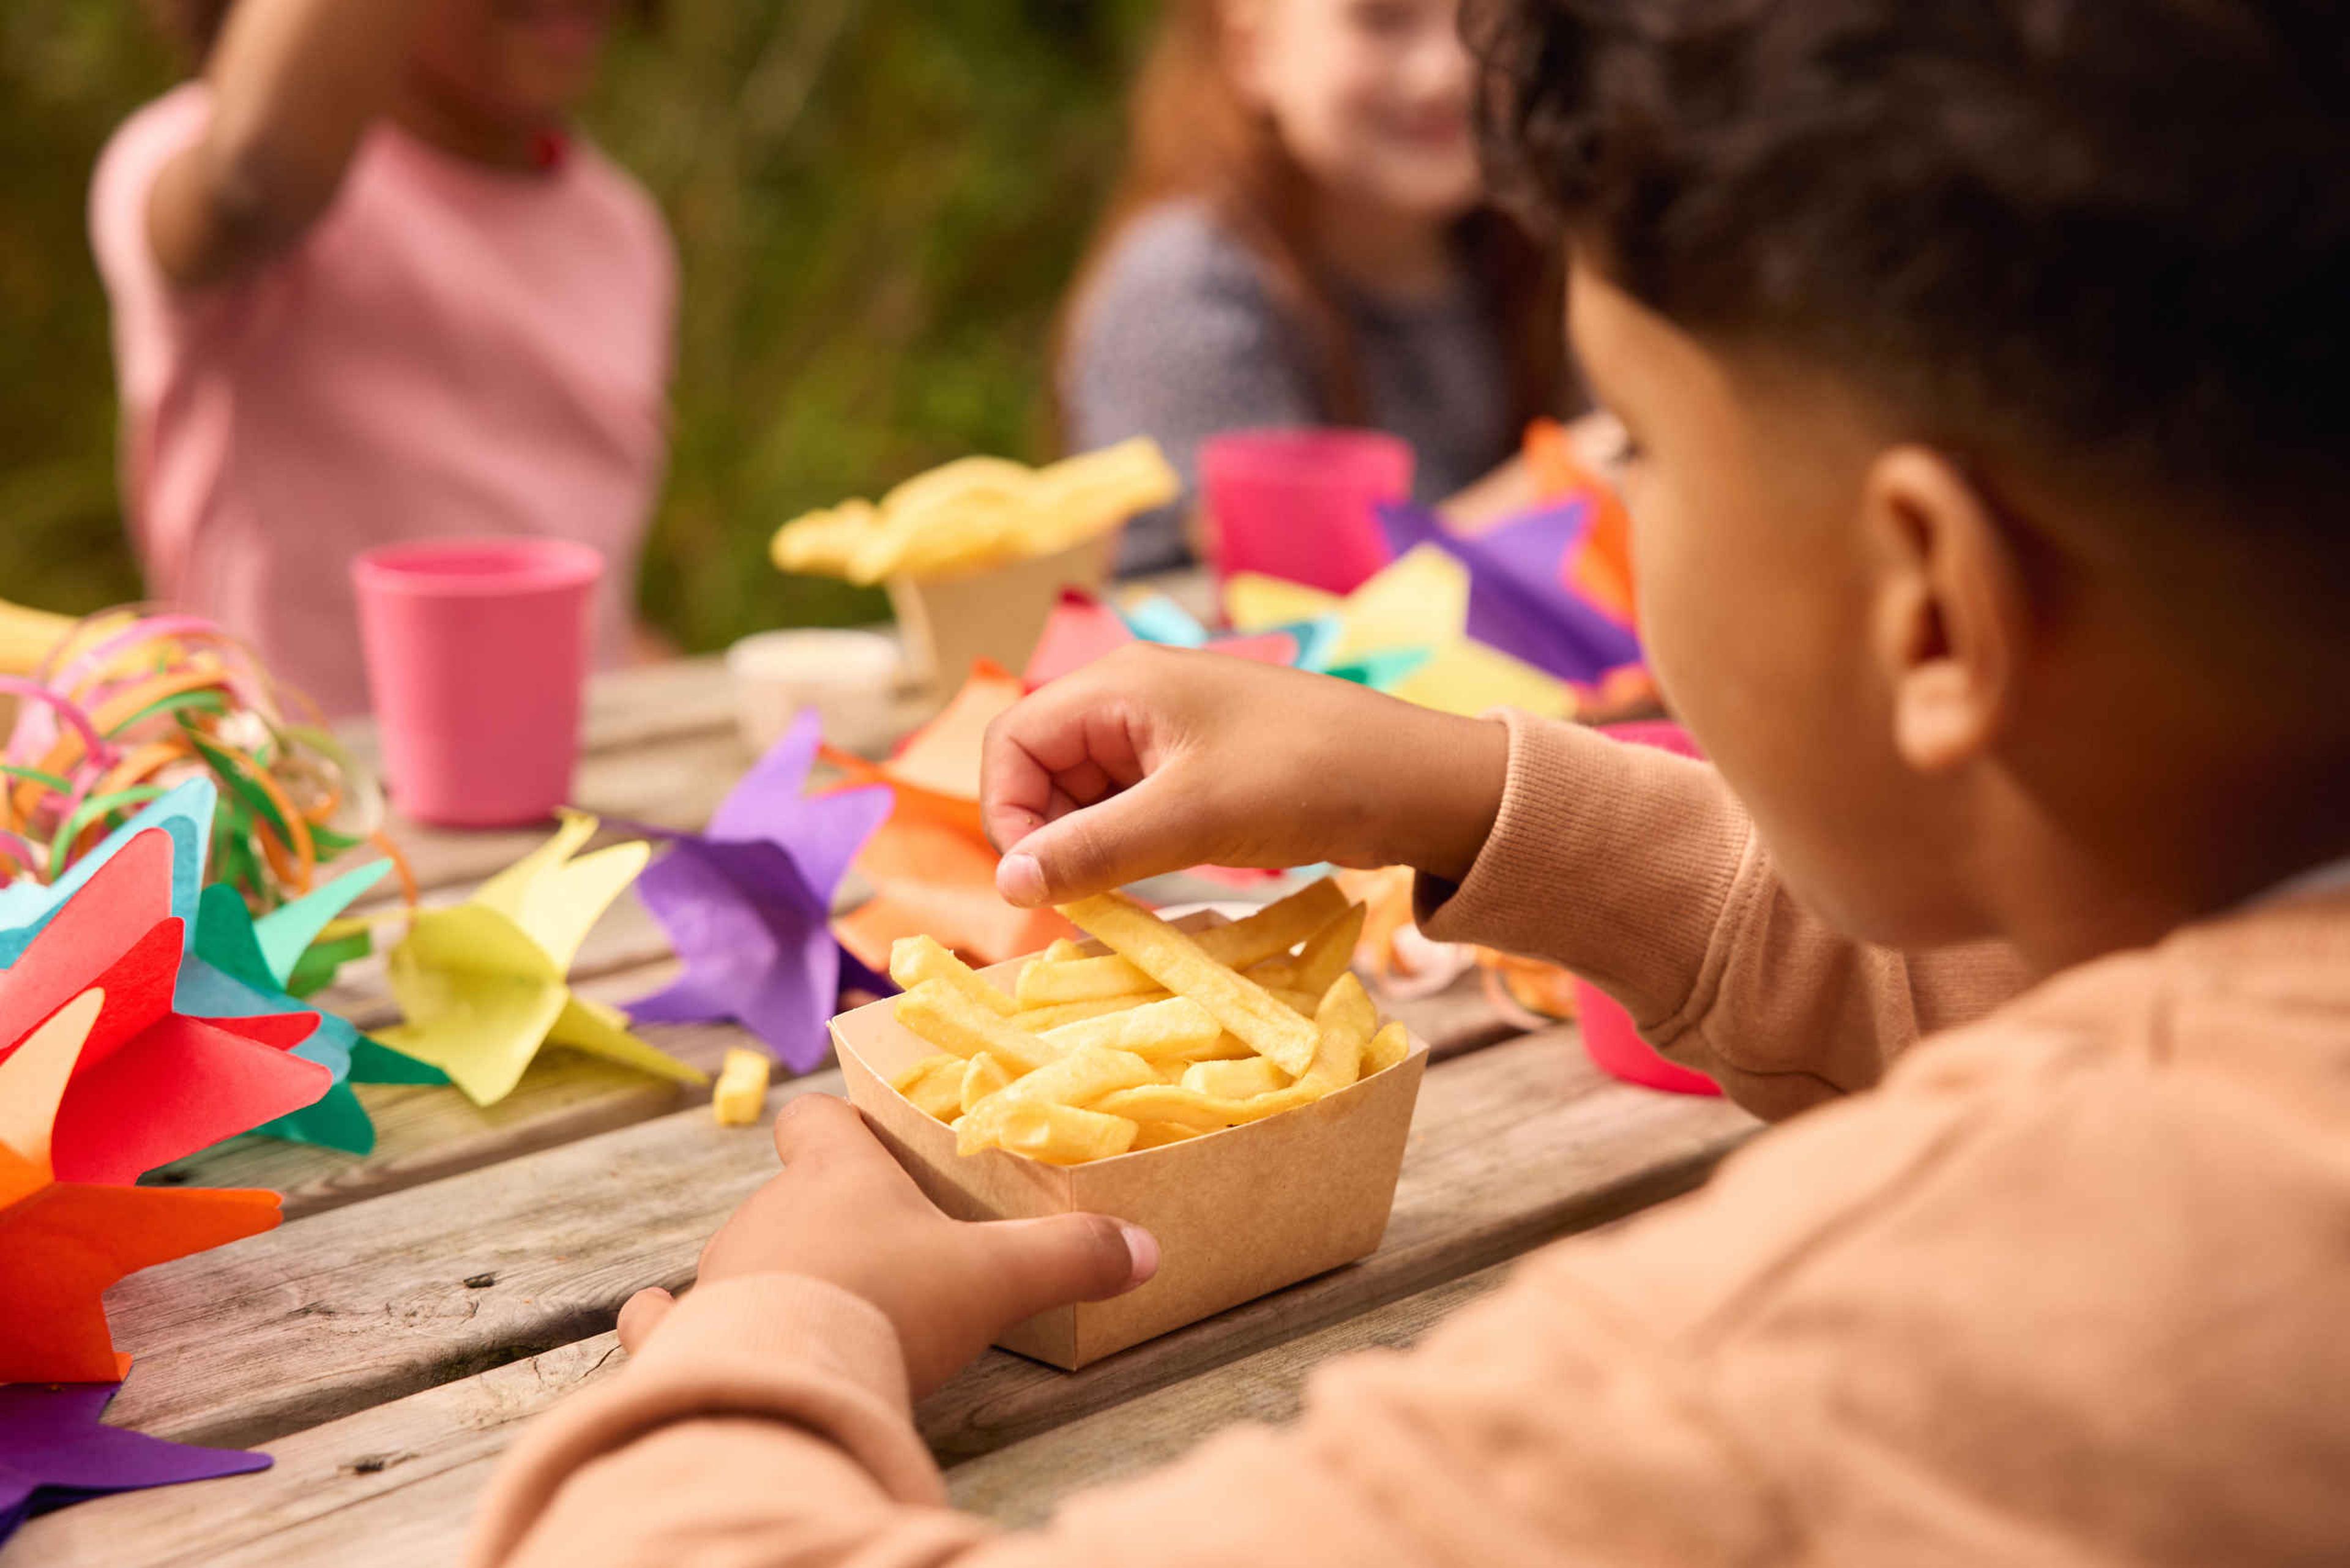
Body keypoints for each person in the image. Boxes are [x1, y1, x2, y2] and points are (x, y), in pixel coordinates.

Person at [464, 0, 2350, 1561]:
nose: (1605, 491)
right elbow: (2058, 980)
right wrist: (1460, 795)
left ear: (1929, 602)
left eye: (1629, 444)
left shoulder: (1847, 1339)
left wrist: (783, 1323)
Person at [92, 0, 673, 717]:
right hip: (305, 805)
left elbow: (596, 601)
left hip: (585, 800)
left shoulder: (621, 230)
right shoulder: (190, 160)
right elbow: (253, 176)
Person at [1059, 0, 1566, 575]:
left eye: (1489, 27)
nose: (1446, 72)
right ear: (1251, 51)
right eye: (1383, 19)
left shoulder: (1535, 255)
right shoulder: (1188, 287)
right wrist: (1562, 487)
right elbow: (1284, 594)